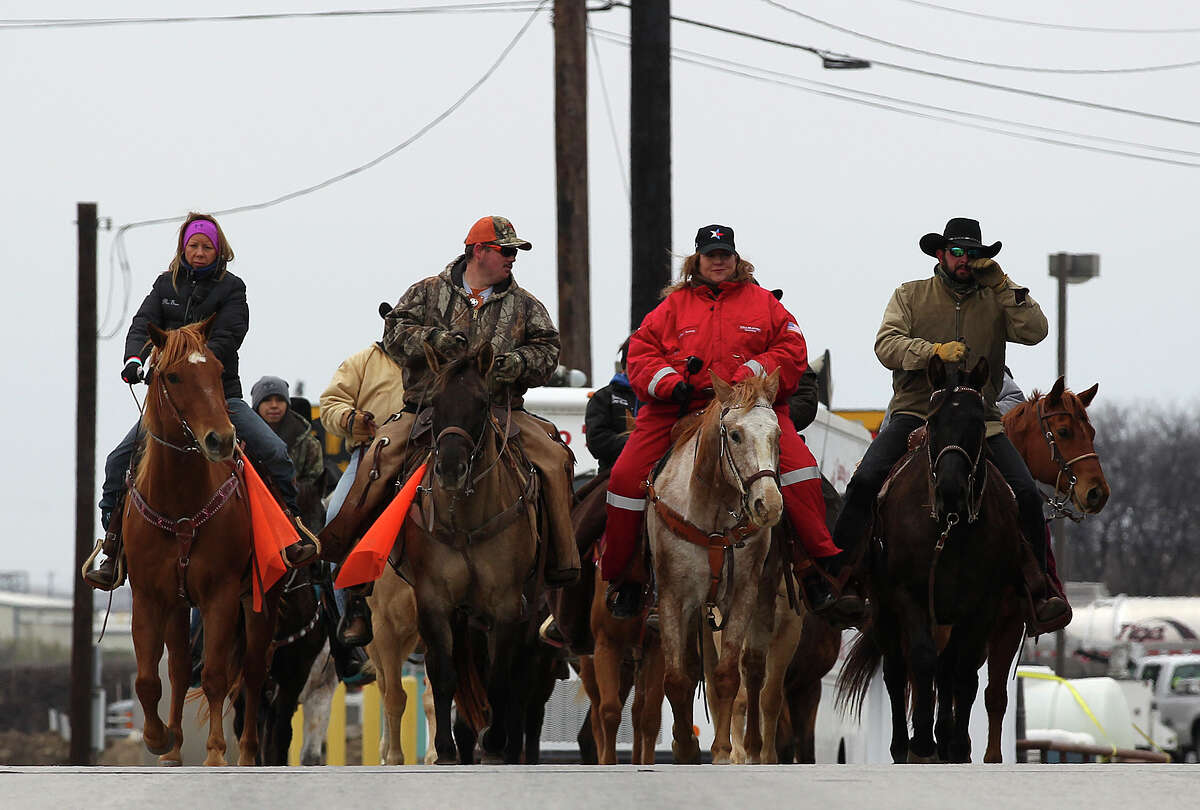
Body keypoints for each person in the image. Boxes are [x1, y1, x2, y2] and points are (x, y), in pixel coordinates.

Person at [322, 215, 581, 645]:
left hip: (501, 410)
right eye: (506, 251)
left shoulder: (526, 305)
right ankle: (353, 585)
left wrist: (518, 363)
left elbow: (548, 350)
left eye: (514, 252)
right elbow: (395, 331)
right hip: (427, 409)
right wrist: (435, 340)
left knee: (556, 458)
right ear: (478, 251)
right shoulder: (427, 292)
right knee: (377, 459)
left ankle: (560, 566)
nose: (512, 259)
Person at [599, 224, 858, 620]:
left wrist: (752, 376)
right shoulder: (670, 308)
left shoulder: (765, 304)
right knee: (623, 480)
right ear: (698, 260)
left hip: (751, 407)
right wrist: (671, 385)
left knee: (801, 474)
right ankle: (627, 577)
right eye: (710, 255)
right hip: (679, 409)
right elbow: (640, 354)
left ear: (736, 259)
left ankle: (815, 567)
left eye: (725, 255)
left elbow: (792, 347)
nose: (718, 262)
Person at [829, 217, 1070, 633]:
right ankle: (843, 578)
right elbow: (886, 344)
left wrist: (1003, 283)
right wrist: (931, 352)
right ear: (940, 254)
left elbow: (1036, 331)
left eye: (973, 253)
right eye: (957, 251)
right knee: (866, 480)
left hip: (981, 418)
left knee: (1027, 494)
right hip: (915, 410)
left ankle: (1039, 588)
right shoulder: (910, 295)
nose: (965, 260)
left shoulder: (997, 298)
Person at [85, 213, 319, 590]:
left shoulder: (232, 289)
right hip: (169, 404)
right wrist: (134, 358)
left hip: (221, 398)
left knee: (274, 451)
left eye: (206, 246)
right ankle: (113, 548)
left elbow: (228, 336)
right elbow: (143, 324)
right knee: (117, 463)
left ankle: (290, 528)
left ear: (218, 250)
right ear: (183, 248)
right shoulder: (165, 285)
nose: (198, 252)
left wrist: (192, 366)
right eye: (193, 245)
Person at [252, 376, 325, 525]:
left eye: (280, 400)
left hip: (297, 511)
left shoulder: (309, 443)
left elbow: (313, 485)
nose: (274, 405)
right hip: (253, 506)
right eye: (267, 400)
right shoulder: (242, 440)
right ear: (257, 405)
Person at [584, 338, 638, 474]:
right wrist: (637, 443)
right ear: (625, 365)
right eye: (635, 362)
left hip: (660, 475)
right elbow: (596, 442)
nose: (641, 367)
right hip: (612, 473)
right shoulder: (603, 397)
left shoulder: (662, 400)